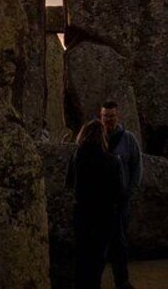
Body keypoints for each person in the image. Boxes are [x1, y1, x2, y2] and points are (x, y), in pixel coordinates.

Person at [67, 120, 122, 289]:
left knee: (82, 257)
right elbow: (118, 191)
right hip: (104, 215)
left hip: (82, 212)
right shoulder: (112, 161)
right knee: (97, 259)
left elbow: (69, 183)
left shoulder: (76, 156)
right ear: (102, 137)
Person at [100, 100, 143, 289]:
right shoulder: (96, 138)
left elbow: (137, 167)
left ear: (118, 116)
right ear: (100, 117)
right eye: (105, 116)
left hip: (120, 201)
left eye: (111, 116)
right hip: (100, 202)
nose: (108, 119)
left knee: (120, 243)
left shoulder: (128, 140)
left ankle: (122, 281)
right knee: (99, 243)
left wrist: (129, 192)